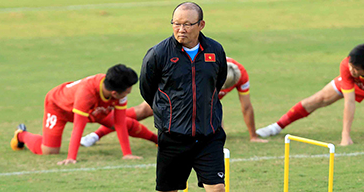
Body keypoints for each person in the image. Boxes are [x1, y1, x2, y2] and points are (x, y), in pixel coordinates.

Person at [140, 2, 246, 192]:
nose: (181, 29)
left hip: (209, 134)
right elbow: (147, 89)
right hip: (173, 136)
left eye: (187, 24)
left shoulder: (215, 50)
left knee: (217, 189)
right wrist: (169, 116)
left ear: (201, 25)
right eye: (176, 23)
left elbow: (218, 81)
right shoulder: (159, 54)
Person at [256, 44, 364, 145]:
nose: (350, 69)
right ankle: (276, 127)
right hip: (357, 86)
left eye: (355, 69)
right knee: (318, 99)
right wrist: (345, 135)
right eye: (350, 65)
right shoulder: (347, 67)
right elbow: (349, 102)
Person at [81, 57, 267, 147]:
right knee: (142, 112)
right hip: (176, 92)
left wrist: (252, 135)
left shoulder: (239, 74)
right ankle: (95, 135)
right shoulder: (203, 69)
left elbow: (246, 107)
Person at [10, 64, 158, 165]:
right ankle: (21, 134)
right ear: (114, 93)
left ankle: (159, 141)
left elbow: (119, 122)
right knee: (49, 151)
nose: (129, 92)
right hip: (58, 107)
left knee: (126, 123)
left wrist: (127, 154)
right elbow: (78, 127)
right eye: (127, 90)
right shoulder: (86, 93)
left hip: (95, 109)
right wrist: (71, 157)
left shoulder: (117, 90)